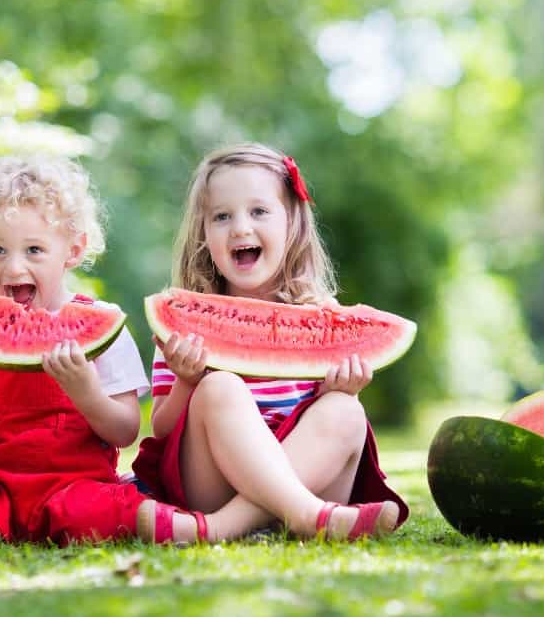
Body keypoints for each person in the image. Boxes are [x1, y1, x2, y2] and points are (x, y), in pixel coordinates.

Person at [0, 155, 210, 544]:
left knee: (97, 512)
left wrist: (85, 391)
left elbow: (125, 432)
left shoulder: (103, 325)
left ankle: (182, 523)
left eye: (34, 250)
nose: (13, 268)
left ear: (73, 250)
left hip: (74, 488)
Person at [131, 143, 410, 543]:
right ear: (203, 234)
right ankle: (305, 516)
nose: (241, 228)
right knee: (219, 386)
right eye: (222, 216)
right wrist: (188, 382)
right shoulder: (185, 325)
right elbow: (161, 430)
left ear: (291, 224)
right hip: (213, 483)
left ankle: (226, 528)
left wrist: (341, 390)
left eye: (259, 211)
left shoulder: (323, 320)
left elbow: (331, 432)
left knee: (345, 412)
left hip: (306, 475)